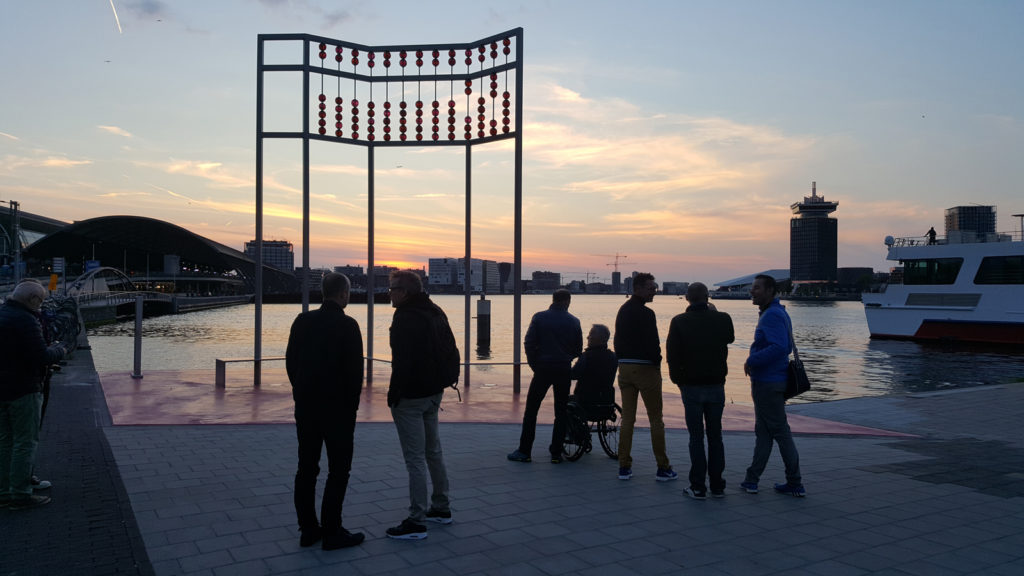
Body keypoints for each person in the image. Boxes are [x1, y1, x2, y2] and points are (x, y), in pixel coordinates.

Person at [285, 272, 365, 550]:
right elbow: (355, 374)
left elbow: (291, 363)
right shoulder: (348, 325)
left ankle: (308, 529)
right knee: (338, 470)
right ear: (343, 294)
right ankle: (332, 530)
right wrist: (351, 408)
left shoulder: (302, 321)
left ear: (322, 292)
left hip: (306, 407)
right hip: (339, 410)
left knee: (306, 468)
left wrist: (301, 392)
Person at [386, 270, 455, 540]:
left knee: (414, 458)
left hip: (411, 396)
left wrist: (395, 395)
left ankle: (416, 520)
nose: (389, 293)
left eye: (392, 288)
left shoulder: (404, 317)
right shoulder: (436, 311)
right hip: (434, 392)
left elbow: (402, 362)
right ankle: (441, 507)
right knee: (433, 452)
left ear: (405, 292)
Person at [1, 280, 66, 510]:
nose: (41, 306)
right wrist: (60, 349)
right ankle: (20, 493)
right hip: (24, 389)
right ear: (32, 300)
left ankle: (4, 491)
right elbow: (42, 356)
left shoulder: (3, 314)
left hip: (3, 389)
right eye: (40, 301)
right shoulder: (26, 320)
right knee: (25, 442)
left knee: (6, 442)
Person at [666, 282, 735, 499]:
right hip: (716, 384)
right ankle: (718, 485)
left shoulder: (679, 322)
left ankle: (698, 486)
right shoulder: (723, 319)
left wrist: (679, 381)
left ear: (687, 298)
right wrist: (713, 312)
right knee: (716, 436)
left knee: (696, 437)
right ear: (708, 298)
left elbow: (672, 356)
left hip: (691, 385)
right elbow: (729, 338)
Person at [741, 274, 805, 497]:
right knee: (765, 432)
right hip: (771, 381)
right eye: (752, 288)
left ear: (770, 291)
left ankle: (795, 482)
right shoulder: (778, 313)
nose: (752, 291)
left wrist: (752, 360)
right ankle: (752, 479)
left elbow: (780, 347)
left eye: (757, 288)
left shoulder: (772, 316)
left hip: (768, 382)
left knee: (779, 431)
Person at [507, 289, 583, 464]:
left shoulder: (539, 317)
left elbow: (529, 342)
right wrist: (566, 358)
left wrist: (535, 364)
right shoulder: (574, 321)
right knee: (561, 411)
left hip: (542, 368)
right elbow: (578, 349)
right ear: (568, 301)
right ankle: (556, 453)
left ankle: (525, 451)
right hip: (563, 369)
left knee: (532, 410)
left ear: (553, 300)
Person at [614, 273, 677, 482]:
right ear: (638, 288)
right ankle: (663, 466)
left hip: (624, 367)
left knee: (628, 419)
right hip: (645, 368)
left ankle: (624, 465)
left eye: (655, 287)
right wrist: (657, 362)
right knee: (655, 419)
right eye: (651, 288)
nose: (654, 291)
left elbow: (617, 339)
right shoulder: (646, 313)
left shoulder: (623, 311)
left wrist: (622, 359)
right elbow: (652, 342)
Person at [570, 324, 617, 421]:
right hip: (606, 403)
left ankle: (566, 434)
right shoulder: (614, 357)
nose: (587, 337)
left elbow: (573, 374)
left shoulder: (586, 356)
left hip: (585, 403)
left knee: (564, 401)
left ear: (599, 338)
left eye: (591, 334)